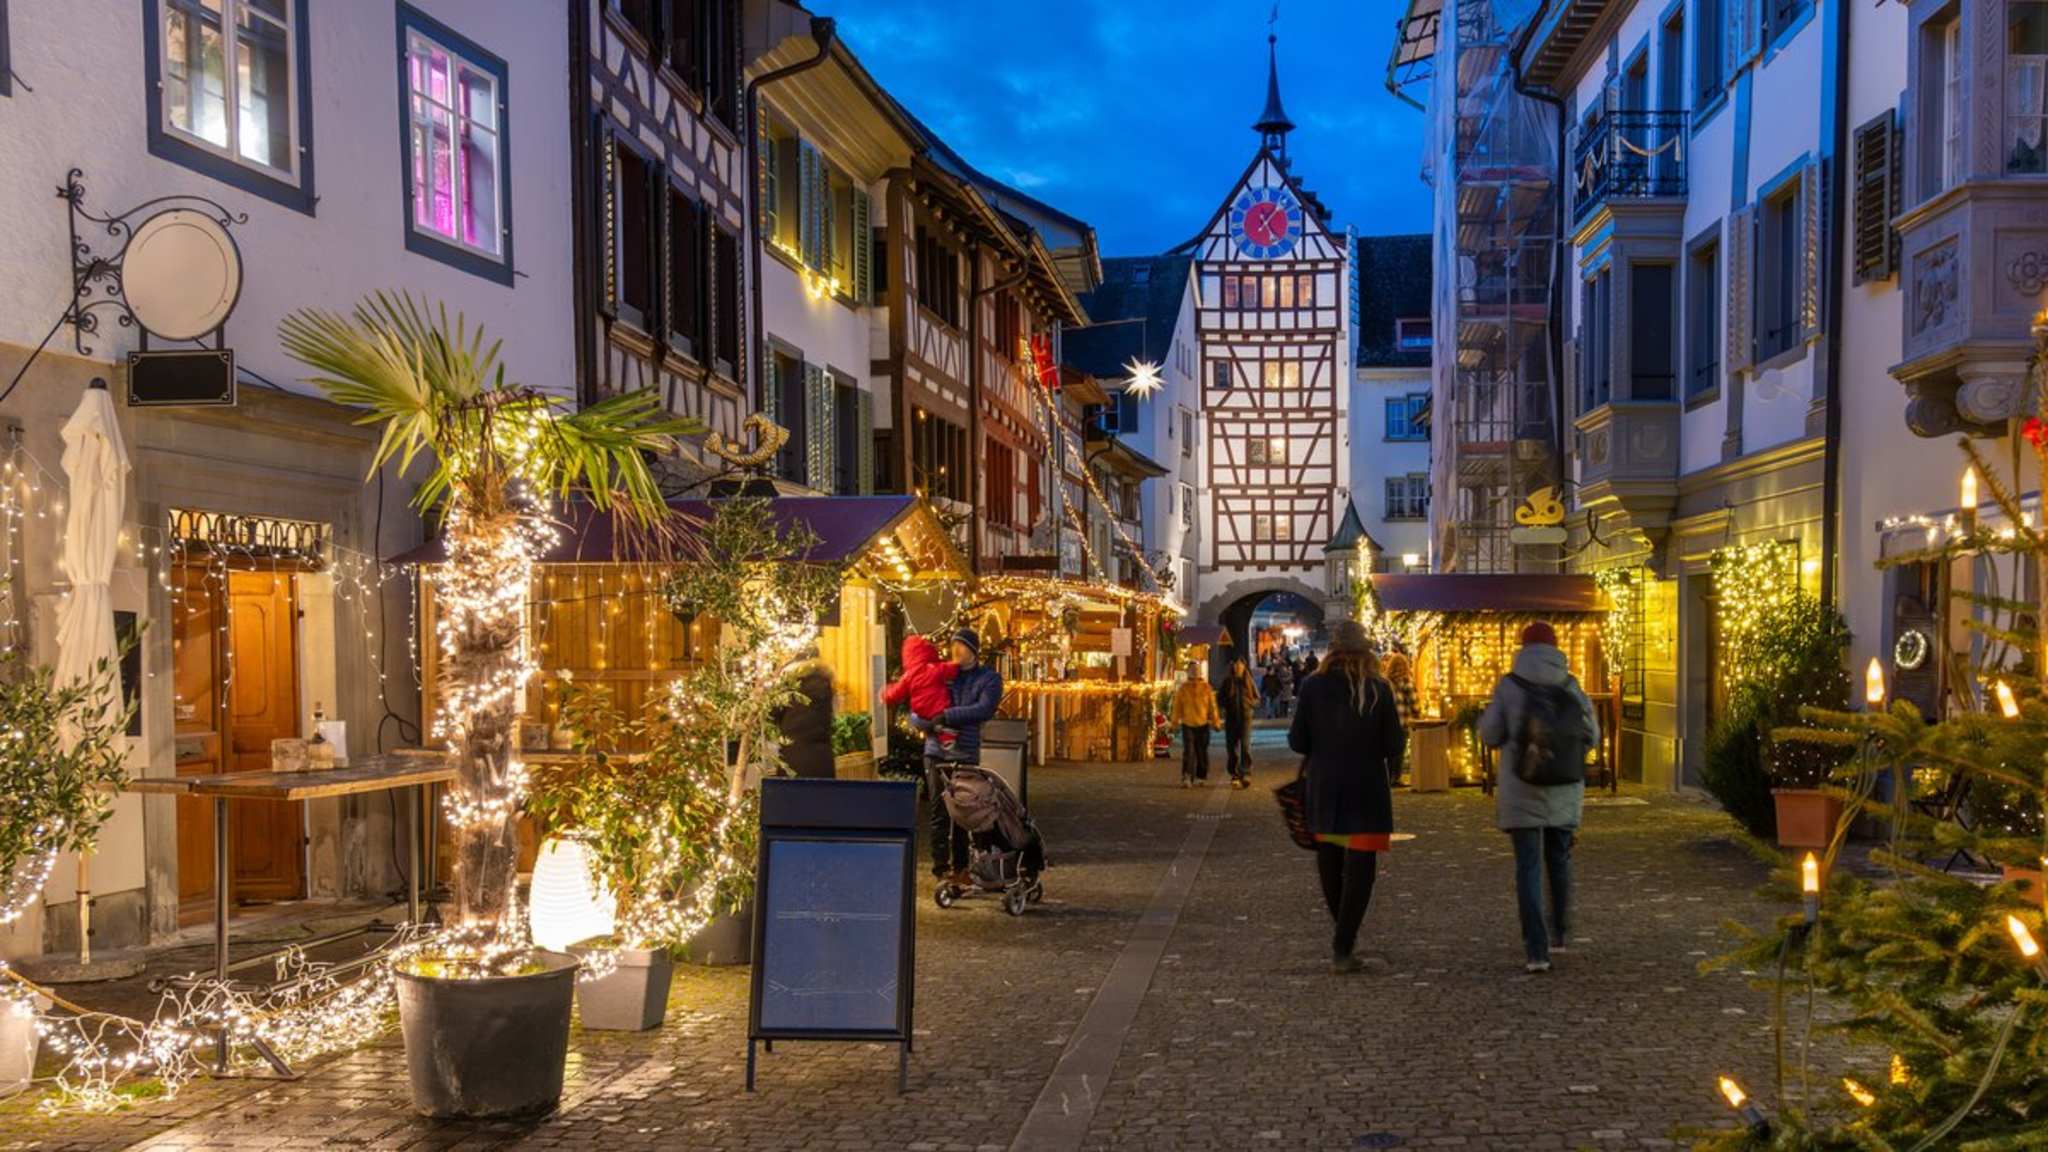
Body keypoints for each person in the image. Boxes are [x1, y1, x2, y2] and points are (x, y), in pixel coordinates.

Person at [1478, 621, 1598, 974]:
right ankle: (1560, 931)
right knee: (1559, 860)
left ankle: (1536, 950)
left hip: (1522, 788)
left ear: (1523, 647)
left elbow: (1490, 733)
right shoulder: (1572, 685)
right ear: (1555, 648)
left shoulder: (1509, 686)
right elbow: (1591, 735)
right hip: (1564, 787)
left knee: (1528, 866)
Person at [1289, 620, 1406, 973]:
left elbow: (1298, 742)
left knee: (1331, 862)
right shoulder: (1379, 688)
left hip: (1325, 788)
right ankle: (1344, 941)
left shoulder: (1312, 686)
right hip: (1367, 789)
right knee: (1361, 870)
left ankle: (1344, 938)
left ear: (1332, 651)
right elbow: (1394, 744)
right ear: (1366, 652)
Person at [909, 628, 1004, 882]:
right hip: (936, 752)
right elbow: (916, 709)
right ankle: (941, 868)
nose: (956, 650)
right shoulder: (939, 675)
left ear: (974, 651)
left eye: (962, 645)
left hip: (965, 752)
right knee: (939, 810)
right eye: (954, 645)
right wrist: (930, 723)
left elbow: (983, 709)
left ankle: (961, 867)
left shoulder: (988, 678)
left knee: (964, 810)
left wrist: (948, 716)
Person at [880, 635, 959, 753]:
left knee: (919, 721)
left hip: (922, 714)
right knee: (944, 726)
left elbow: (896, 692)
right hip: (939, 710)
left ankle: (939, 736)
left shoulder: (908, 676)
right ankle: (948, 740)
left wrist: (884, 694)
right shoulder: (934, 668)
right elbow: (952, 669)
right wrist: (958, 663)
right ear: (928, 652)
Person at [771, 647, 836, 779]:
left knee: (792, 796)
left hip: (793, 754)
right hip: (822, 757)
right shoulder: (825, 682)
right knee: (821, 796)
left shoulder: (788, 683)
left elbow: (772, 714)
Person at [1169, 663, 1223, 787]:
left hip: (1203, 724)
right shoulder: (1183, 689)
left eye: (1196, 670)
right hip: (1188, 724)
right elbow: (1177, 707)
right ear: (1188, 672)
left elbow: (1212, 707)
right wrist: (1174, 722)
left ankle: (1201, 775)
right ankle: (1187, 776)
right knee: (1188, 751)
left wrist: (1216, 722)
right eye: (1192, 670)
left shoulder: (1206, 688)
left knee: (1201, 751)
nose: (1194, 672)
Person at [1218, 657, 1259, 787]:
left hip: (1246, 718)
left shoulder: (1248, 681)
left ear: (1244, 666)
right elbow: (1219, 699)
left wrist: (1250, 704)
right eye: (1235, 664)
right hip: (1231, 719)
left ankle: (1246, 773)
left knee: (1245, 747)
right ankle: (1234, 773)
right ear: (1233, 666)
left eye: (1240, 664)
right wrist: (1225, 705)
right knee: (1231, 749)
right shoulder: (1227, 681)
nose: (1238, 667)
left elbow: (1257, 698)